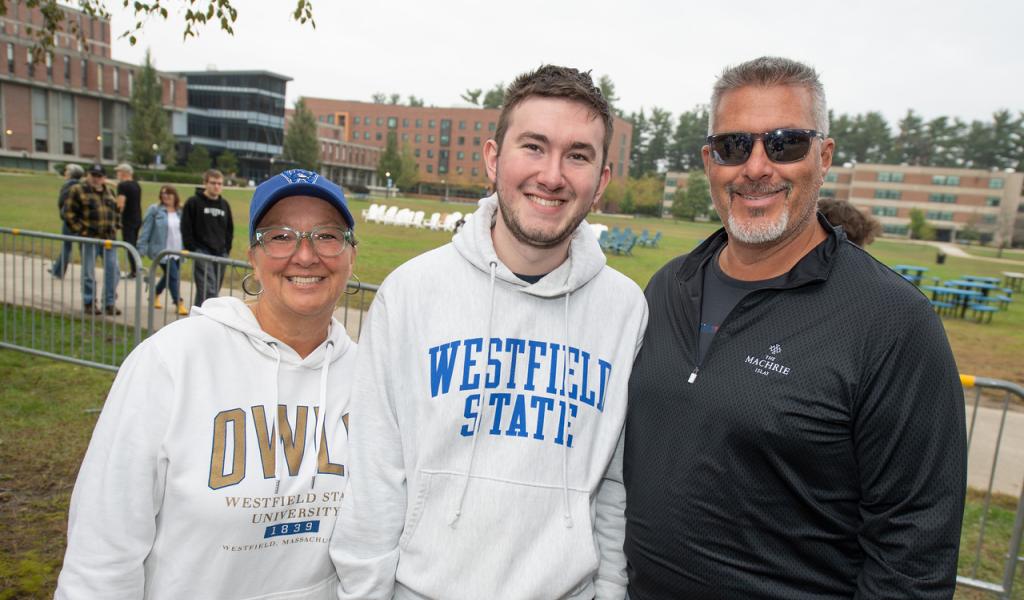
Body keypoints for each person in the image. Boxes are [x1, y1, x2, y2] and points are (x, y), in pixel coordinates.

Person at [623, 56, 966, 599]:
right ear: (710, 161)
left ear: (823, 157)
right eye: (734, 146)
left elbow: (913, 552)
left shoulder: (893, 321)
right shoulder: (667, 287)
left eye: (786, 144)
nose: (757, 167)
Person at [331, 65, 648, 600]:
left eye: (577, 155)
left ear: (601, 182)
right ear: (493, 159)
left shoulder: (624, 309)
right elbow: (374, 476)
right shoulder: (412, 292)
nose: (552, 175)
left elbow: (614, 488)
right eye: (534, 146)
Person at [56, 169, 359, 599]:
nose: (305, 255)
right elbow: (104, 550)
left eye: (327, 236)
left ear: (351, 255)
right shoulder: (171, 361)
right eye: (280, 236)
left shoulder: (367, 379)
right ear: (253, 257)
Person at [63, 163, 121, 315]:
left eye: (99, 176)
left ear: (104, 178)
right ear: (87, 175)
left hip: (108, 239)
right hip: (89, 238)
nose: (96, 179)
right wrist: (79, 230)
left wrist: (116, 225)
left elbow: (116, 211)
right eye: (93, 175)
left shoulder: (109, 192)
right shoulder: (77, 190)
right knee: (88, 272)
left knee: (113, 271)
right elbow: (68, 213)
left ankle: (109, 303)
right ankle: (89, 302)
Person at [181, 168, 233, 308]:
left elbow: (229, 229)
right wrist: (192, 248)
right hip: (201, 251)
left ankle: (197, 315)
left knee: (211, 290)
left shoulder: (224, 204)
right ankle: (211, 316)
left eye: (219, 183)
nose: (216, 186)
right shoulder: (193, 202)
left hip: (220, 252)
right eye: (213, 183)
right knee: (209, 290)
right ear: (205, 183)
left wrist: (226, 249)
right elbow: (186, 226)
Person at [138, 184, 188, 316]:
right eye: (163, 193)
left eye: (168, 193)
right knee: (173, 276)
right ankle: (178, 302)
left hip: (178, 250)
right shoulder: (155, 210)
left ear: (175, 196)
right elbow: (146, 230)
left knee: (168, 276)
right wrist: (141, 248)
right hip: (162, 252)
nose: (165, 196)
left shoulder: (180, 211)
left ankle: (154, 294)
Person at [50, 163, 84, 278]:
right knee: (83, 246)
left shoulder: (68, 185)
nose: (65, 173)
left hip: (70, 220)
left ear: (70, 174)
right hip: (81, 220)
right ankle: (57, 269)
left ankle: (58, 271)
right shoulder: (82, 185)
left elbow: (62, 202)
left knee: (67, 246)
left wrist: (63, 214)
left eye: (67, 171)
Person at [114, 163, 142, 279]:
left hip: (127, 219)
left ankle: (134, 271)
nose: (117, 174)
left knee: (129, 245)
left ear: (124, 173)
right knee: (134, 244)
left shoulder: (122, 186)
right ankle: (137, 268)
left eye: (118, 172)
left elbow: (121, 204)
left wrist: (117, 216)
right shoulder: (136, 185)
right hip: (137, 218)